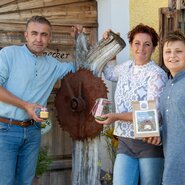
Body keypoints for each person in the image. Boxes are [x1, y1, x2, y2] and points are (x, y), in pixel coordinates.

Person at [0, 16, 74, 185]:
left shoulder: (53, 65)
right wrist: (26, 106)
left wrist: (83, 40)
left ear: (50, 38)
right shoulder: (9, 54)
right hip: (5, 130)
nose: (39, 39)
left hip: (33, 132)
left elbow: (81, 67)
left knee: (25, 182)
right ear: (26, 35)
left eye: (44, 34)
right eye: (34, 33)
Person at [96, 24, 168, 185]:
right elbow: (109, 72)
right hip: (125, 142)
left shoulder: (157, 75)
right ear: (131, 45)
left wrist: (115, 116)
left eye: (147, 44)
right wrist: (111, 44)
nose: (141, 48)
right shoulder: (126, 67)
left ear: (154, 48)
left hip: (149, 143)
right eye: (137, 43)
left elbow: (150, 115)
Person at [159, 30, 185, 185]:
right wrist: (156, 134)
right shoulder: (168, 86)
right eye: (168, 51)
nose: (172, 56)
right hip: (171, 166)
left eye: (179, 51)